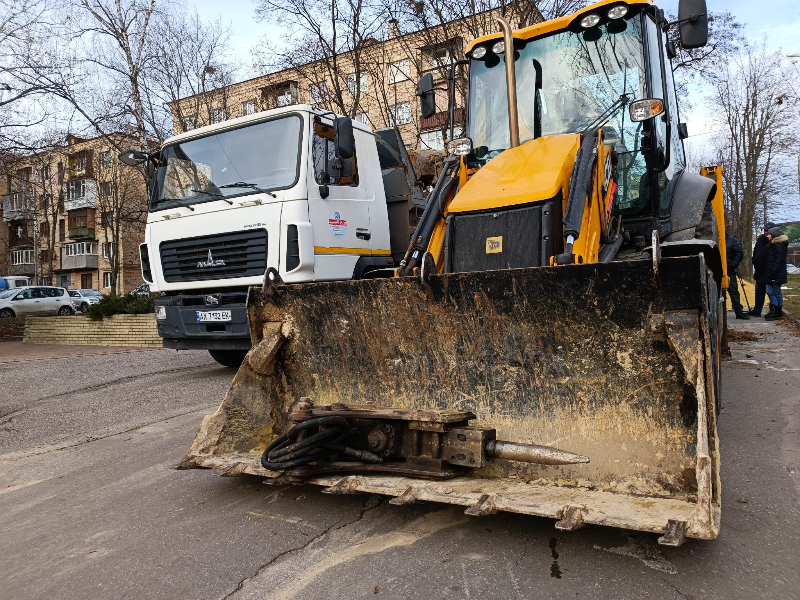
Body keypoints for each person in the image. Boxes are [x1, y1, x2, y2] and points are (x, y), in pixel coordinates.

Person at [764, 226, 789, 321]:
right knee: (770, 292)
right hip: (772, 273)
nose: (768, 236)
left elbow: (778, 260)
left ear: (775, 236)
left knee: (775, 291)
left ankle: (777, 311)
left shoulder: (779, 246)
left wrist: (773, 272)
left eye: (769, 234)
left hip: (775, 273)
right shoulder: (774, 245)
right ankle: (776, 310)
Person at [749, 222, 774, 316]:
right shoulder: (760, 239)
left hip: (768, 272)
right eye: (765, 230)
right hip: (759, 271)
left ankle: (773, 310)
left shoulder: (774, 241)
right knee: (759, 292)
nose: (765, 232)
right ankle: (757, 310)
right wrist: (754, 260)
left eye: (767, 231)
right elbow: (756, 251)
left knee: (770, 292)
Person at [725, 232, 750, 319]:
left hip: (729, 270)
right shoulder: (715, 239)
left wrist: (734, 264)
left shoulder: (732, 240)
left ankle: (738, 312)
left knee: (733, 292)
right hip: (718, 271)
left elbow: (739, 253)